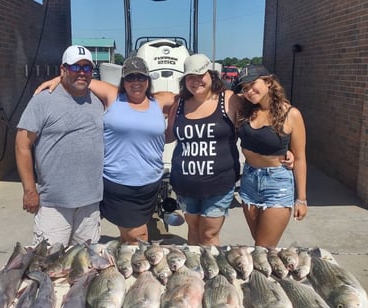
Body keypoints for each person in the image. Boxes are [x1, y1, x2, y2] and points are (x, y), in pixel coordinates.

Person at [35, 56, 177, 245]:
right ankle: (136, 268)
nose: (136, 82)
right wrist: (58, 79)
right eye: (130, 78)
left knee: (129, 235)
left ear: (148, 80)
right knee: (139, 236)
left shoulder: (160, 101)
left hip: (149, 184)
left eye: (141, 77)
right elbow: (81, 79)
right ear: (123, 80)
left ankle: (125, 265)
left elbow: (191, 96)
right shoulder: (113, 95)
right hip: (117, 182)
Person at [15, 45, 105, 247]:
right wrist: (29, 190)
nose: (81, 72)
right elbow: (22, 145)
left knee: (84, 268)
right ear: (63, 70)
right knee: (49, 267)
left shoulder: (98, 101)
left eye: (87, 68)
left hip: (90, 204)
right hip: (53, 205)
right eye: (75, 67)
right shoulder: (43, 100)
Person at [165, 54, 243, 246]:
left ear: (212, 75)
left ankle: (212, 274)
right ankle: (193, 274)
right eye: (190, 76)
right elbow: (169, 135)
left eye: (201, 74)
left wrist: (285, 150)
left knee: (209, 234)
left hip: (219, 184)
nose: (196, 81)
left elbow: (254, 128)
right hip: (185, 184)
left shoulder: (229, 99)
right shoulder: (180, 104)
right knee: (193, 229)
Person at [235, 64, 307, 247]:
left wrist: (302, 199)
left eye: (253, 84)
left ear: (268, 82)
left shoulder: (291, 114)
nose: (249, 91)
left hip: (277, 183)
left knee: (263, 248)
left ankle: (261, 276)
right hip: (249, 180)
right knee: (260, 243)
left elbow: (299, 159)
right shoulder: (247, 109)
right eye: (244, 88)